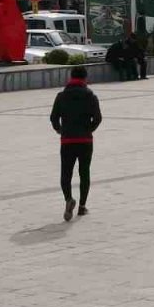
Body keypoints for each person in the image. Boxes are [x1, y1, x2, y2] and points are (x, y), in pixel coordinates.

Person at [50, 66, 102, 221]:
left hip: (67, 140)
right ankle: (81, 206)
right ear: (85, 78)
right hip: (85, 140)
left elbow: (53, 118)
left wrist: (60, 130)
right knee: (84, 172)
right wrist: (89, 130)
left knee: (66, 173)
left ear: (70, 77)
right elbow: (98, 118)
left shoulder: (61, 96)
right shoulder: (90, 96)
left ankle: (68, 199)